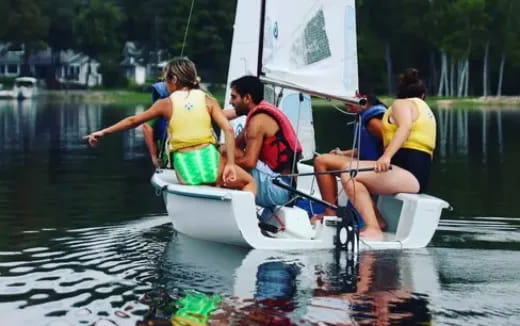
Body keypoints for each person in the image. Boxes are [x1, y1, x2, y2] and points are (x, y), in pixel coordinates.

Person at [84, 57, 256, 194]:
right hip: (212, 163)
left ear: (174, 79)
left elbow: (133, 121)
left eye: (166, 80)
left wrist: (103, 132)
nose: (165, 84)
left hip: (187, 168)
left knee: (201, 184)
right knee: (249, 183)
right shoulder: (208, 100)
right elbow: (228, 128)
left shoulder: (165, 104)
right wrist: (231, 164)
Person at [338, 68, 436, 240]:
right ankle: (376, 221)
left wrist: (386, 156)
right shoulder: (425, 109)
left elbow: (405, 128)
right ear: (422, 96)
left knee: (348, 172)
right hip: (418, 173)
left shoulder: (401, 104)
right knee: (354, 172)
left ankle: (374, 227)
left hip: (409, 173)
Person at [226, 76, 302, 220]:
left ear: (247, 98)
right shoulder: (256, 116)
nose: (230, 101)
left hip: (279, 189)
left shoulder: (258, 121)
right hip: (282, 186)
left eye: (234, 97)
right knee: (227, 153)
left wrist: (224, 164)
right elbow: (234, 146)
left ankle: (216, 199)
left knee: (225, 160)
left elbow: (249, 162)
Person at [312, 94, 387, 223]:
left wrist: (386, 160)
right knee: (324, 160)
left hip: (379, 168)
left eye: (349, 104)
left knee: (321, 161)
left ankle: (331, 213)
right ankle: (332, 212)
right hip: (367, 163)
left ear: (364, 99)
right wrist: (342, 154)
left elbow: (390, 144)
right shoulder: (366, 118)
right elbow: (368, 149)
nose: (347, 109)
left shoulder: (373, 121)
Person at [142, 81, 169, 168]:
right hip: (168, 156)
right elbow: (146, 127)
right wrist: (154, 157)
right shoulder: (163, 103)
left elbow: (146, 127)